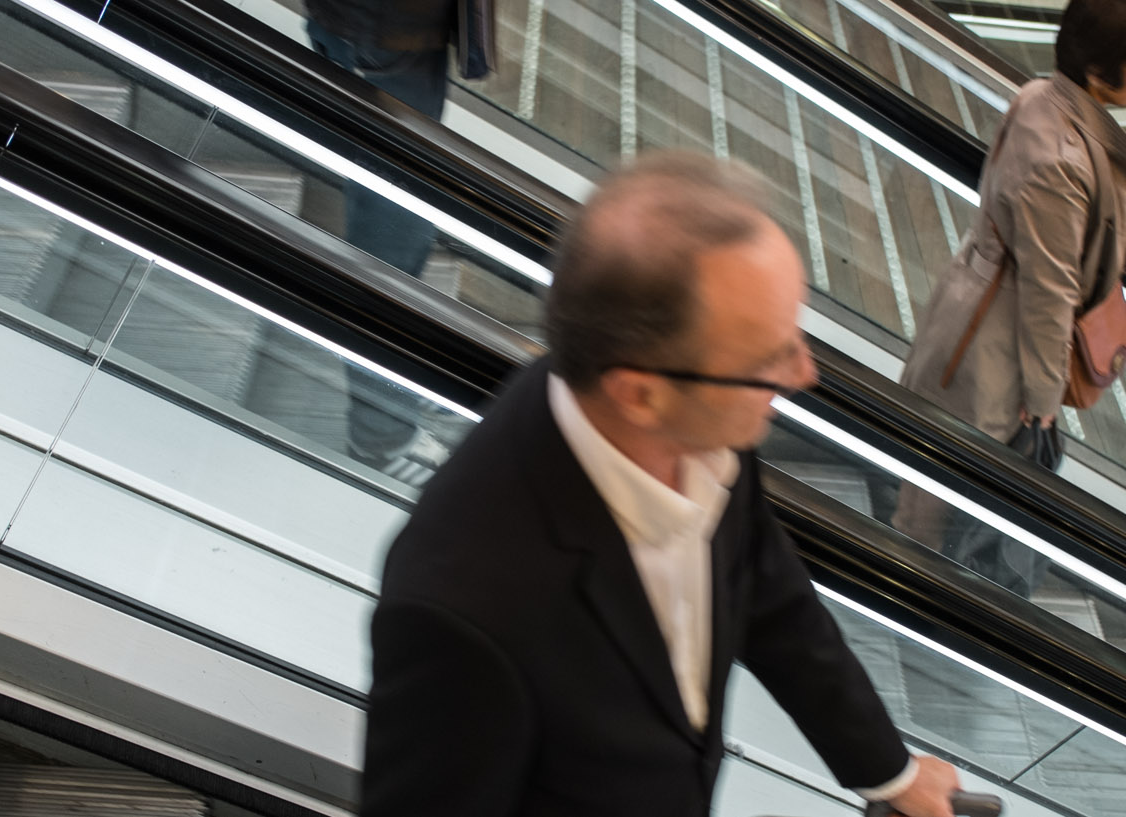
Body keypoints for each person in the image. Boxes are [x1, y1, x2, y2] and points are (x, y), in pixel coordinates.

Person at [361, 152, 960, 817]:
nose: (803, 372)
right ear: (640, 395)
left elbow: (772, 595)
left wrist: (891, 773)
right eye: (770, 359)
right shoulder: (460, 613)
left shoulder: (703, 424)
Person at [890, 0, 1126, 598]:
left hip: (983, 306)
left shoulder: (1046, 95)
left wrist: (1114, 221)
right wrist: (1044, 401)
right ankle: (908, 591)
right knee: (945, 477)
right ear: (1099, 73)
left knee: (948, 469)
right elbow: (1050, 292)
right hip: (991, 340)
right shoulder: (1057, 163)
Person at [305, 0, 495, 485]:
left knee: (399, 215)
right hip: (386, 32)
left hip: (378, 28)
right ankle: (378, 433)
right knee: (390, 241)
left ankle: (397, 388)